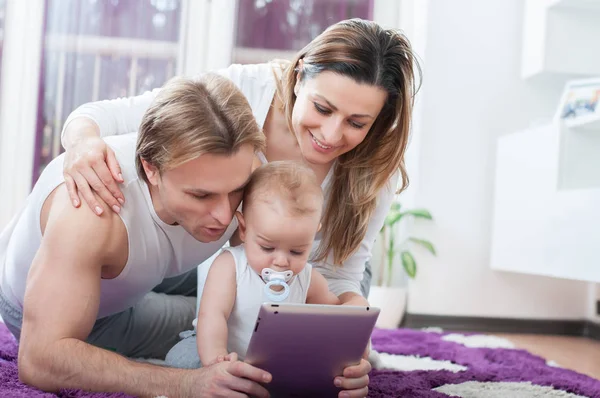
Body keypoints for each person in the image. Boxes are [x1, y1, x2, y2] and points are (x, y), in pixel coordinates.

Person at [60, 18, 420, 397]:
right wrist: (83, 144)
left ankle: (226, 321)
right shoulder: (243, 91)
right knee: (102, 319)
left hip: (304, 274)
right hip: (211, 254)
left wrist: (347, 340)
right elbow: (102, 115)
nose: (331, 136)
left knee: (292, 319)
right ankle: (216, 317)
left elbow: (342, 277)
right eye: (322, 107)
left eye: (357, 123)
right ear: (299, 77)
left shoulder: (375, 168)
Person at [0, 74, 275, 397]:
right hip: (86, 311)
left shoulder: (240, 165)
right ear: (151, 169)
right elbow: (40, 359)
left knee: (242, 313)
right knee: (222, 325)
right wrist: (187, 384)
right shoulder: (90, 215)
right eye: (201, 196)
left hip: (144, 270)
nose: (225, 215)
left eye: (237, 191)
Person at [165, 160, 340, 369]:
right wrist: (216, 359)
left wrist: (352, 344)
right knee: (181, 359)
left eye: (297, 251)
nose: (281, 261)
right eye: (267, 247)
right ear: (244, 229)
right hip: (219, 349)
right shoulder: (230, 266)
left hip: (274, 363)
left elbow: (337, 319)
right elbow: (212, 316)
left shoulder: (309, 280)